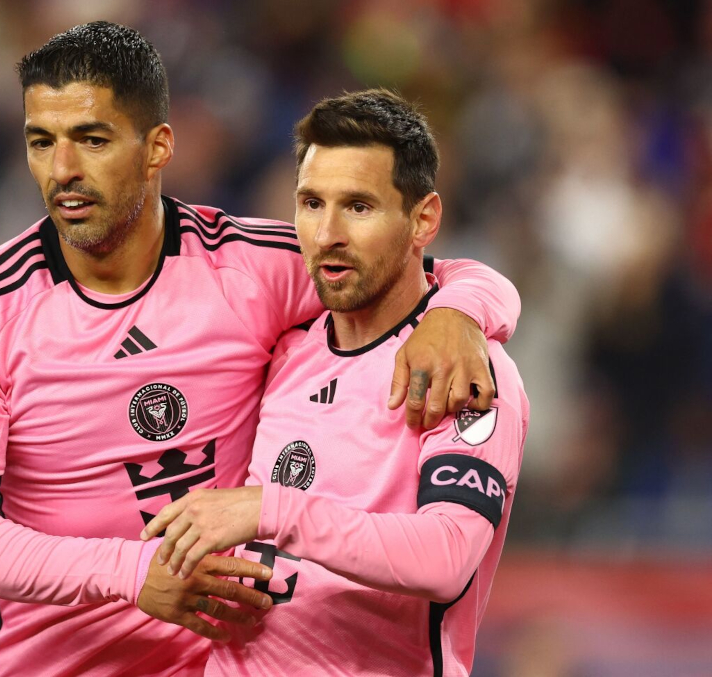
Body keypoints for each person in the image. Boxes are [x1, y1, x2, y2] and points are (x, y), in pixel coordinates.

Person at [0, 22, 521, 677]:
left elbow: (404, 268)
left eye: (92, 139)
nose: (63, 171)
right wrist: (132, 572)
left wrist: (462, 310)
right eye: (41, 142)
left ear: (156, 147)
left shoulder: (254, 268)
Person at [141, 89, 529, 676]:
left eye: (359, 207)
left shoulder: (463, 367)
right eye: (312, 203)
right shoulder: (284, 347)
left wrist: (270, 511)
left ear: (423, 219)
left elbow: (446, 557)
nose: (327, 234)